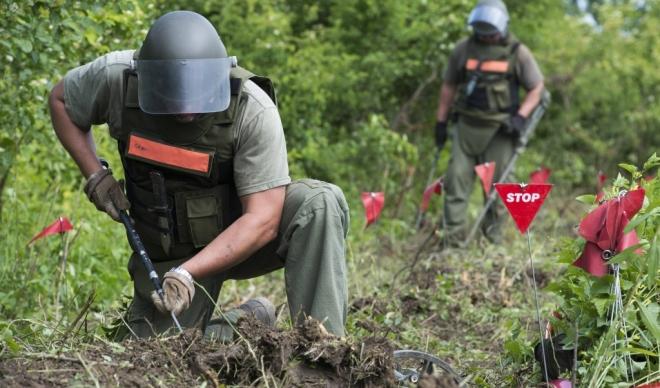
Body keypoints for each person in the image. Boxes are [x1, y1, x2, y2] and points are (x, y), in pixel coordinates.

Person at [48, 10, 349, 339]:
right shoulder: (118, 79)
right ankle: (246, 322)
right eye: (174, 94)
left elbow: (263, 218)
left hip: (241, 240)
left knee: (319, 203)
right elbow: (62, 100)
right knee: (152, 359)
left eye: (198, 92)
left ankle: (324, 351)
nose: (186, 111)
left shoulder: (252, 107)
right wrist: (96, 176)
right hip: (170, 251)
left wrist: (188, 273)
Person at [434, 0, 545, 244]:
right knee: (456, 181)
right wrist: (440, 123)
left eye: (491, 34)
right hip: (466, 129)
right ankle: (452, 243)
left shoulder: (518, 52)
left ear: (502, 28)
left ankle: (492, 241)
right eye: (482, 33)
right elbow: (449, 86)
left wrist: (520, 117)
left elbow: (537, 88)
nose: (487, 38)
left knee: (499, 188)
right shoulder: (463, 49)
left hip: (500, 132)